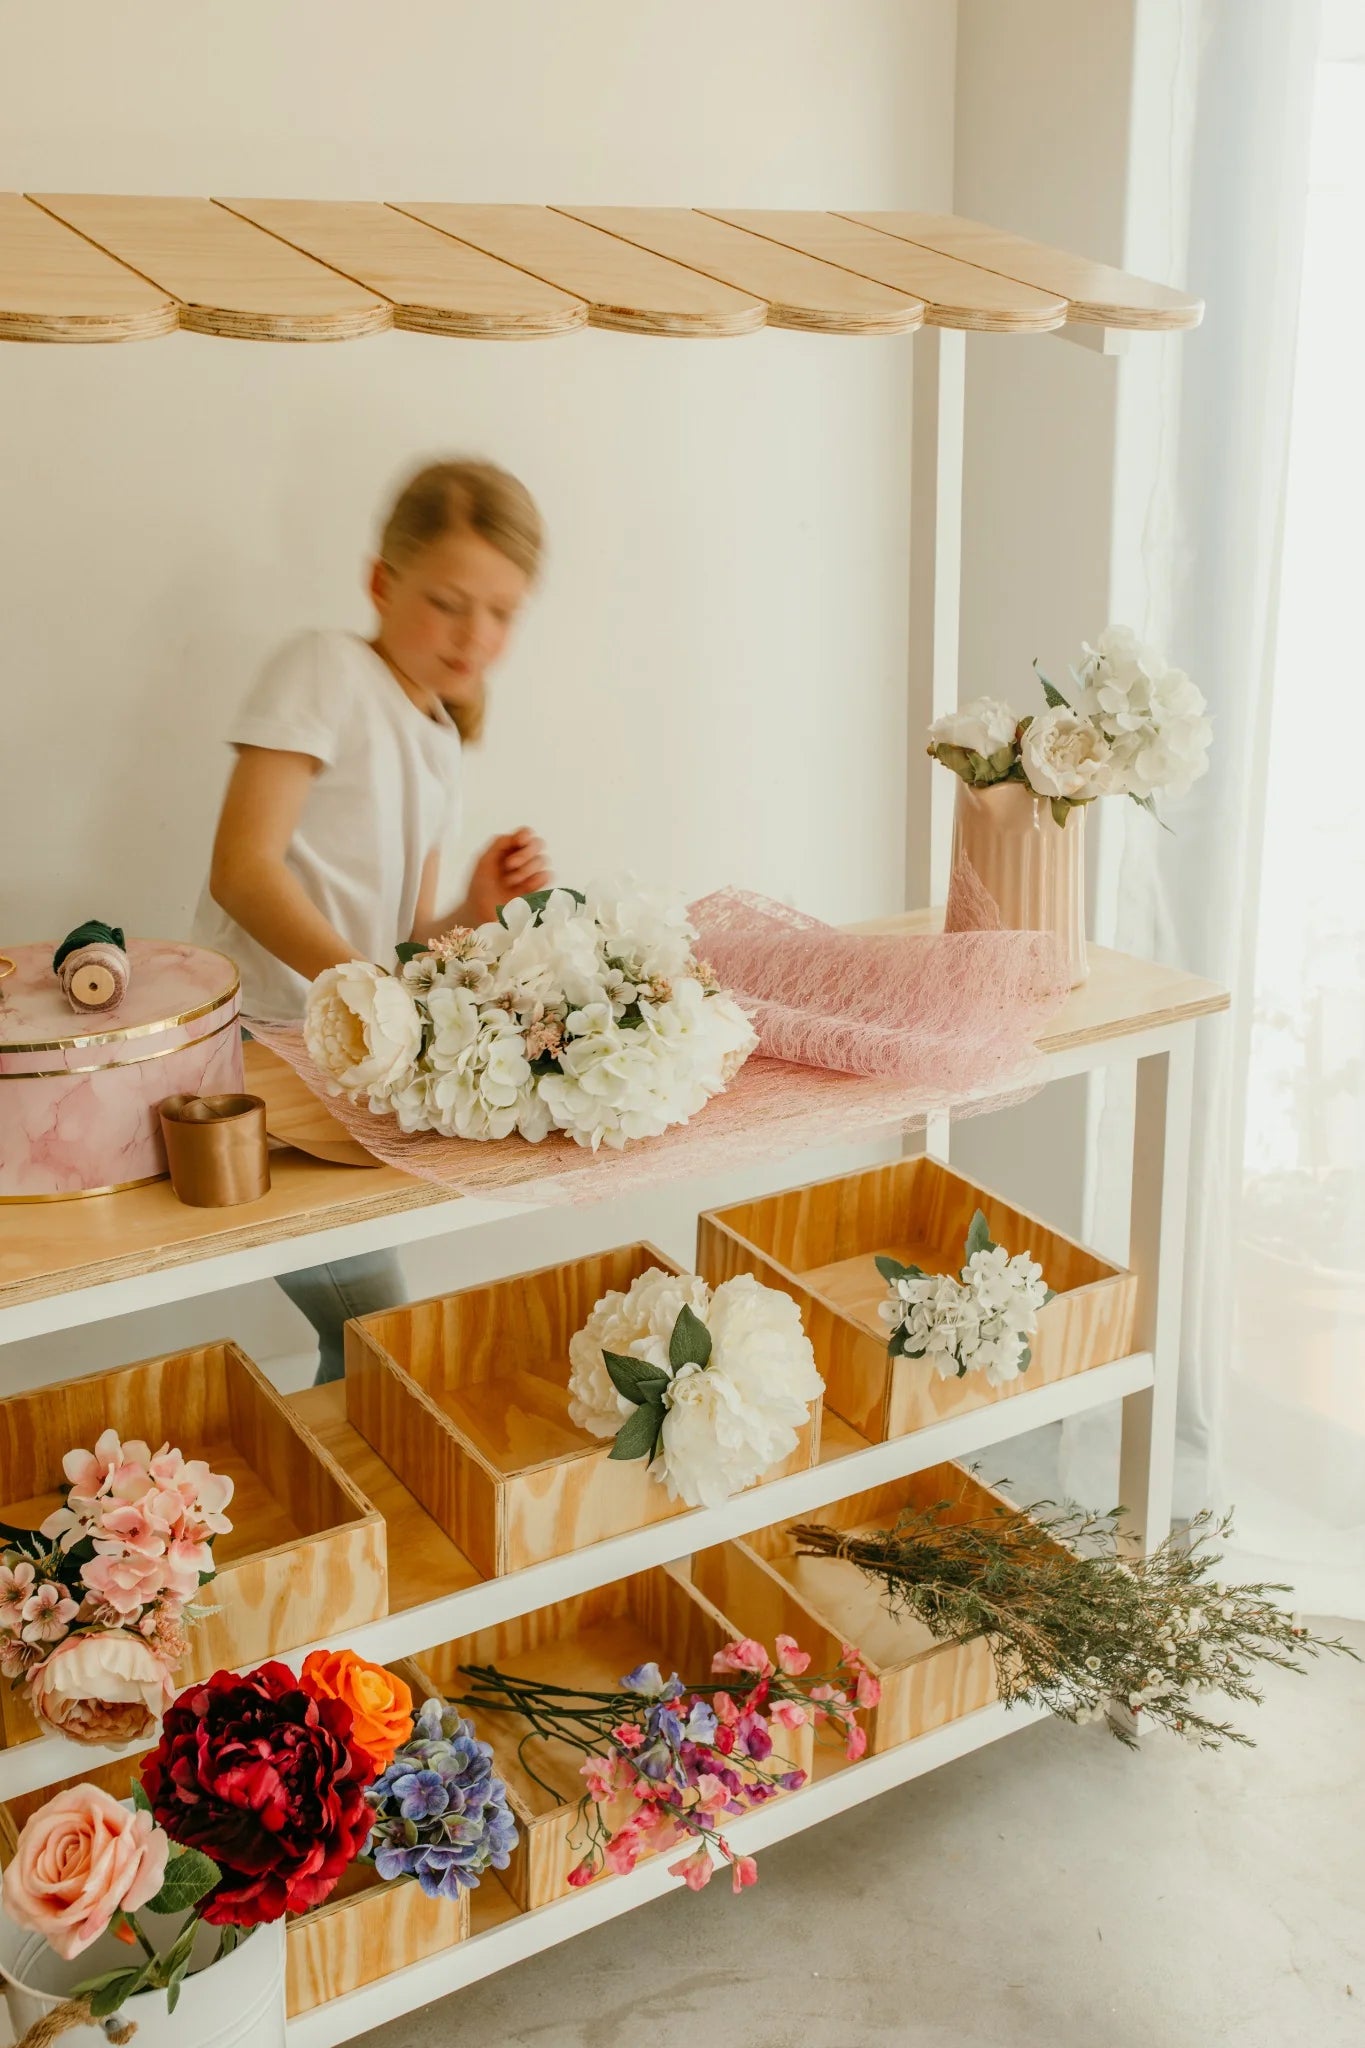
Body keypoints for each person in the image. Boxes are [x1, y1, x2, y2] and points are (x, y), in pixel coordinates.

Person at [194, 458, 551, 1381]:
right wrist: (363, 987)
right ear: (381, 583)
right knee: (377, 1342)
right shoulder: (325, 668)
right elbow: (242, 870)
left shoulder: (438, 741)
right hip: (257, 1058)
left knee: (369, 1346)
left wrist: (474, 910)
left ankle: (346, 1515)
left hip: (342, 1069)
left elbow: (400, 945)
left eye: (501, 612)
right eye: (448, 600)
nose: (474, 634)